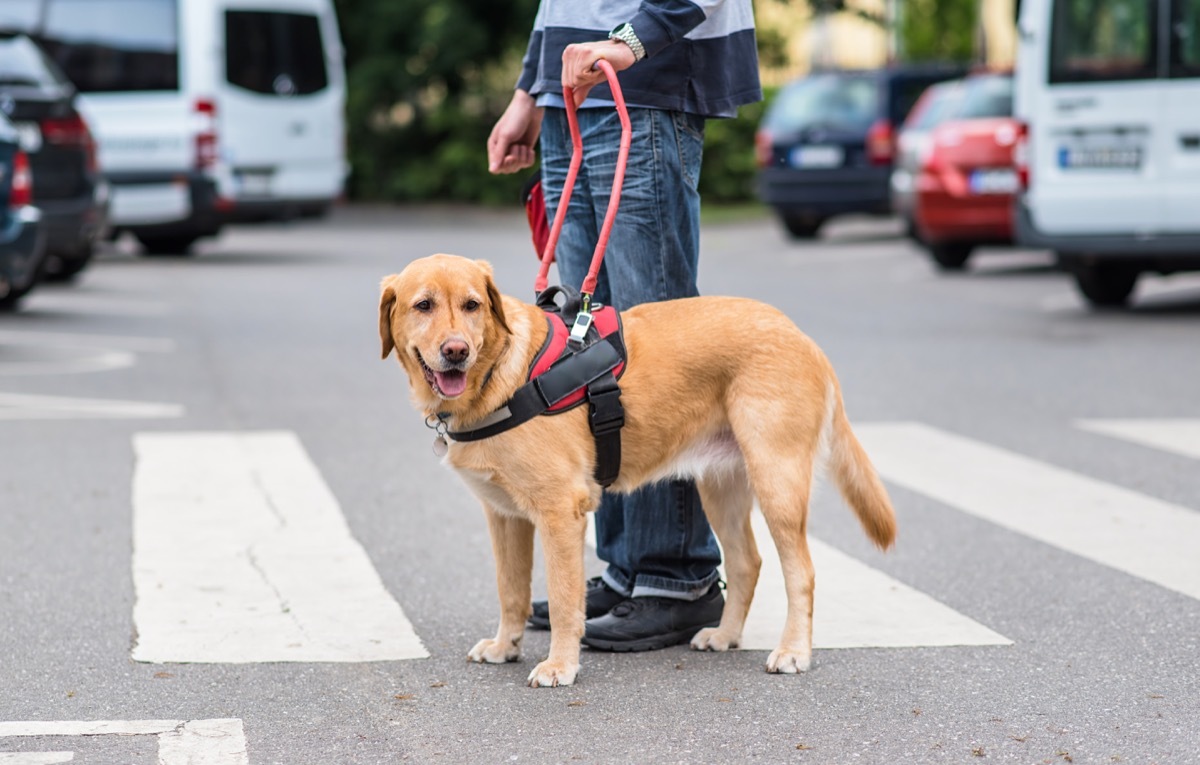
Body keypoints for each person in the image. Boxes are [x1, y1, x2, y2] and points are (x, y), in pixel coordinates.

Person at [486, 0, 762, 652]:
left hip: (642, 86)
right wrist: (532, 89)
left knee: (658, 347)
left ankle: (676, 576)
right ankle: (628, 565)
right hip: (569, 94)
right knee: (585, 350)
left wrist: (633, 43)